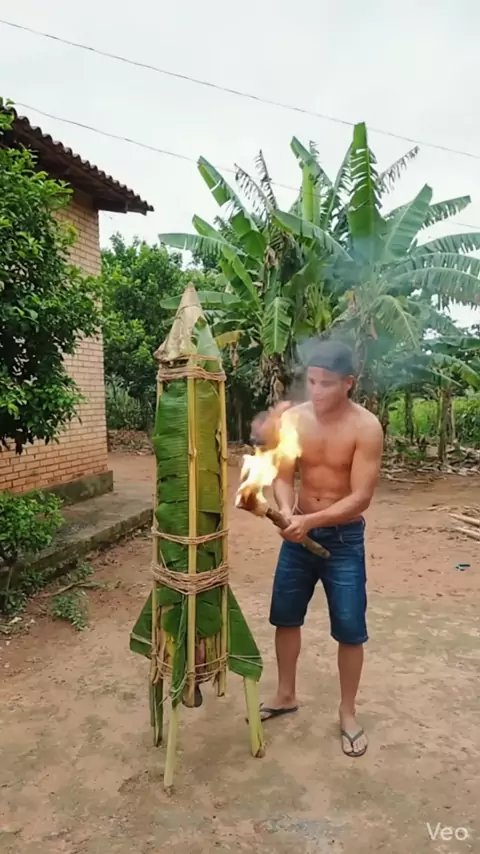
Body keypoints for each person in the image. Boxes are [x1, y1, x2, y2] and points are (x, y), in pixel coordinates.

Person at [251, 339, 384, 757]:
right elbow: (283, 475)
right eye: (311, 381)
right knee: (285, 616)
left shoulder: (366, 427)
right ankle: (285, 694)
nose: (316, 391)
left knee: (350, 628)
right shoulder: (294, 420)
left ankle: (347, 712)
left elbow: (361, 497)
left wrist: (310, 521)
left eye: (327, 383)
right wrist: (287, 511)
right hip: (297, 536)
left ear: (348, 383)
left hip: (343, 540)